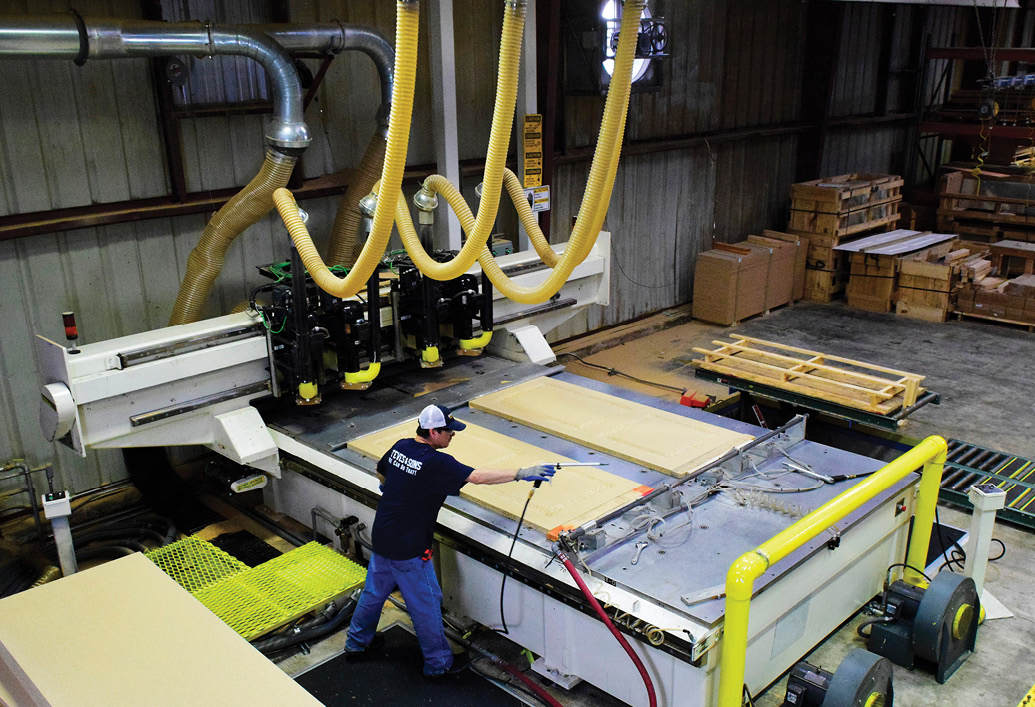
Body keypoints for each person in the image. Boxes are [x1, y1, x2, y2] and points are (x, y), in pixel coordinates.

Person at [343, 403, 555, 679]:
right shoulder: (436, 462)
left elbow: (379, 469)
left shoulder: (401, 446)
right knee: (427, 604)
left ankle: (356, 644)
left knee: (373, 594)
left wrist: (393, 486)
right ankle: (438, 664)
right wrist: (520, 473)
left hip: (383, 535)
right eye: (449, 432)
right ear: (432, 432)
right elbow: (477, 477)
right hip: (409, 548)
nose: (453, 436)